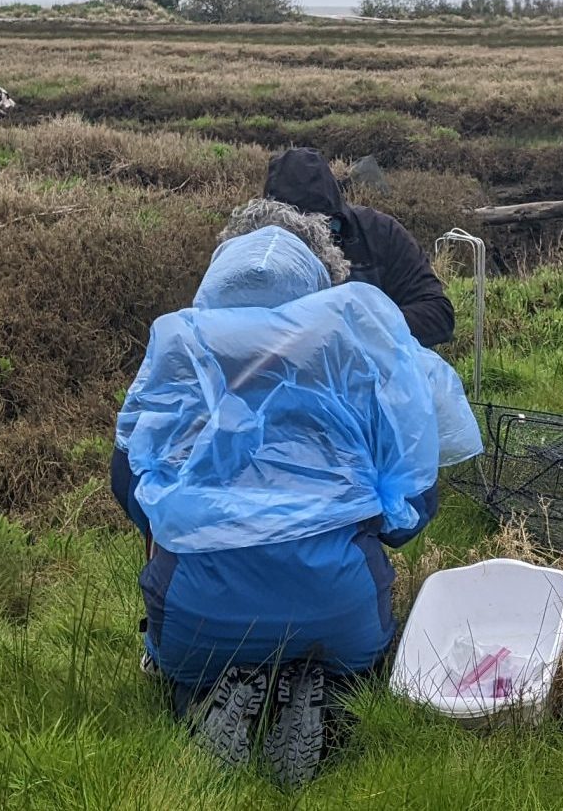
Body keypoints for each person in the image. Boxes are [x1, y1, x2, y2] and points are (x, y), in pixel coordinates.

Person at [109, 222, 481, 729]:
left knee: (184, 629)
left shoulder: (178, 362)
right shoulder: (358, 375)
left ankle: (197, 691)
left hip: (195, 617)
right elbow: (408, 516)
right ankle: (330, 691)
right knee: (347, 637)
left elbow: (129, 490)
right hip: (340, 612)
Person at [263, 147, 456, 346]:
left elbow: (438, 314)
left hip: (378, 373)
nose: (310, 239)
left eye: (319, 228)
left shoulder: (381, 234)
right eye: (292, 230)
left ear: (335, 217)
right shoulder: (255, 251)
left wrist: (357, 327)